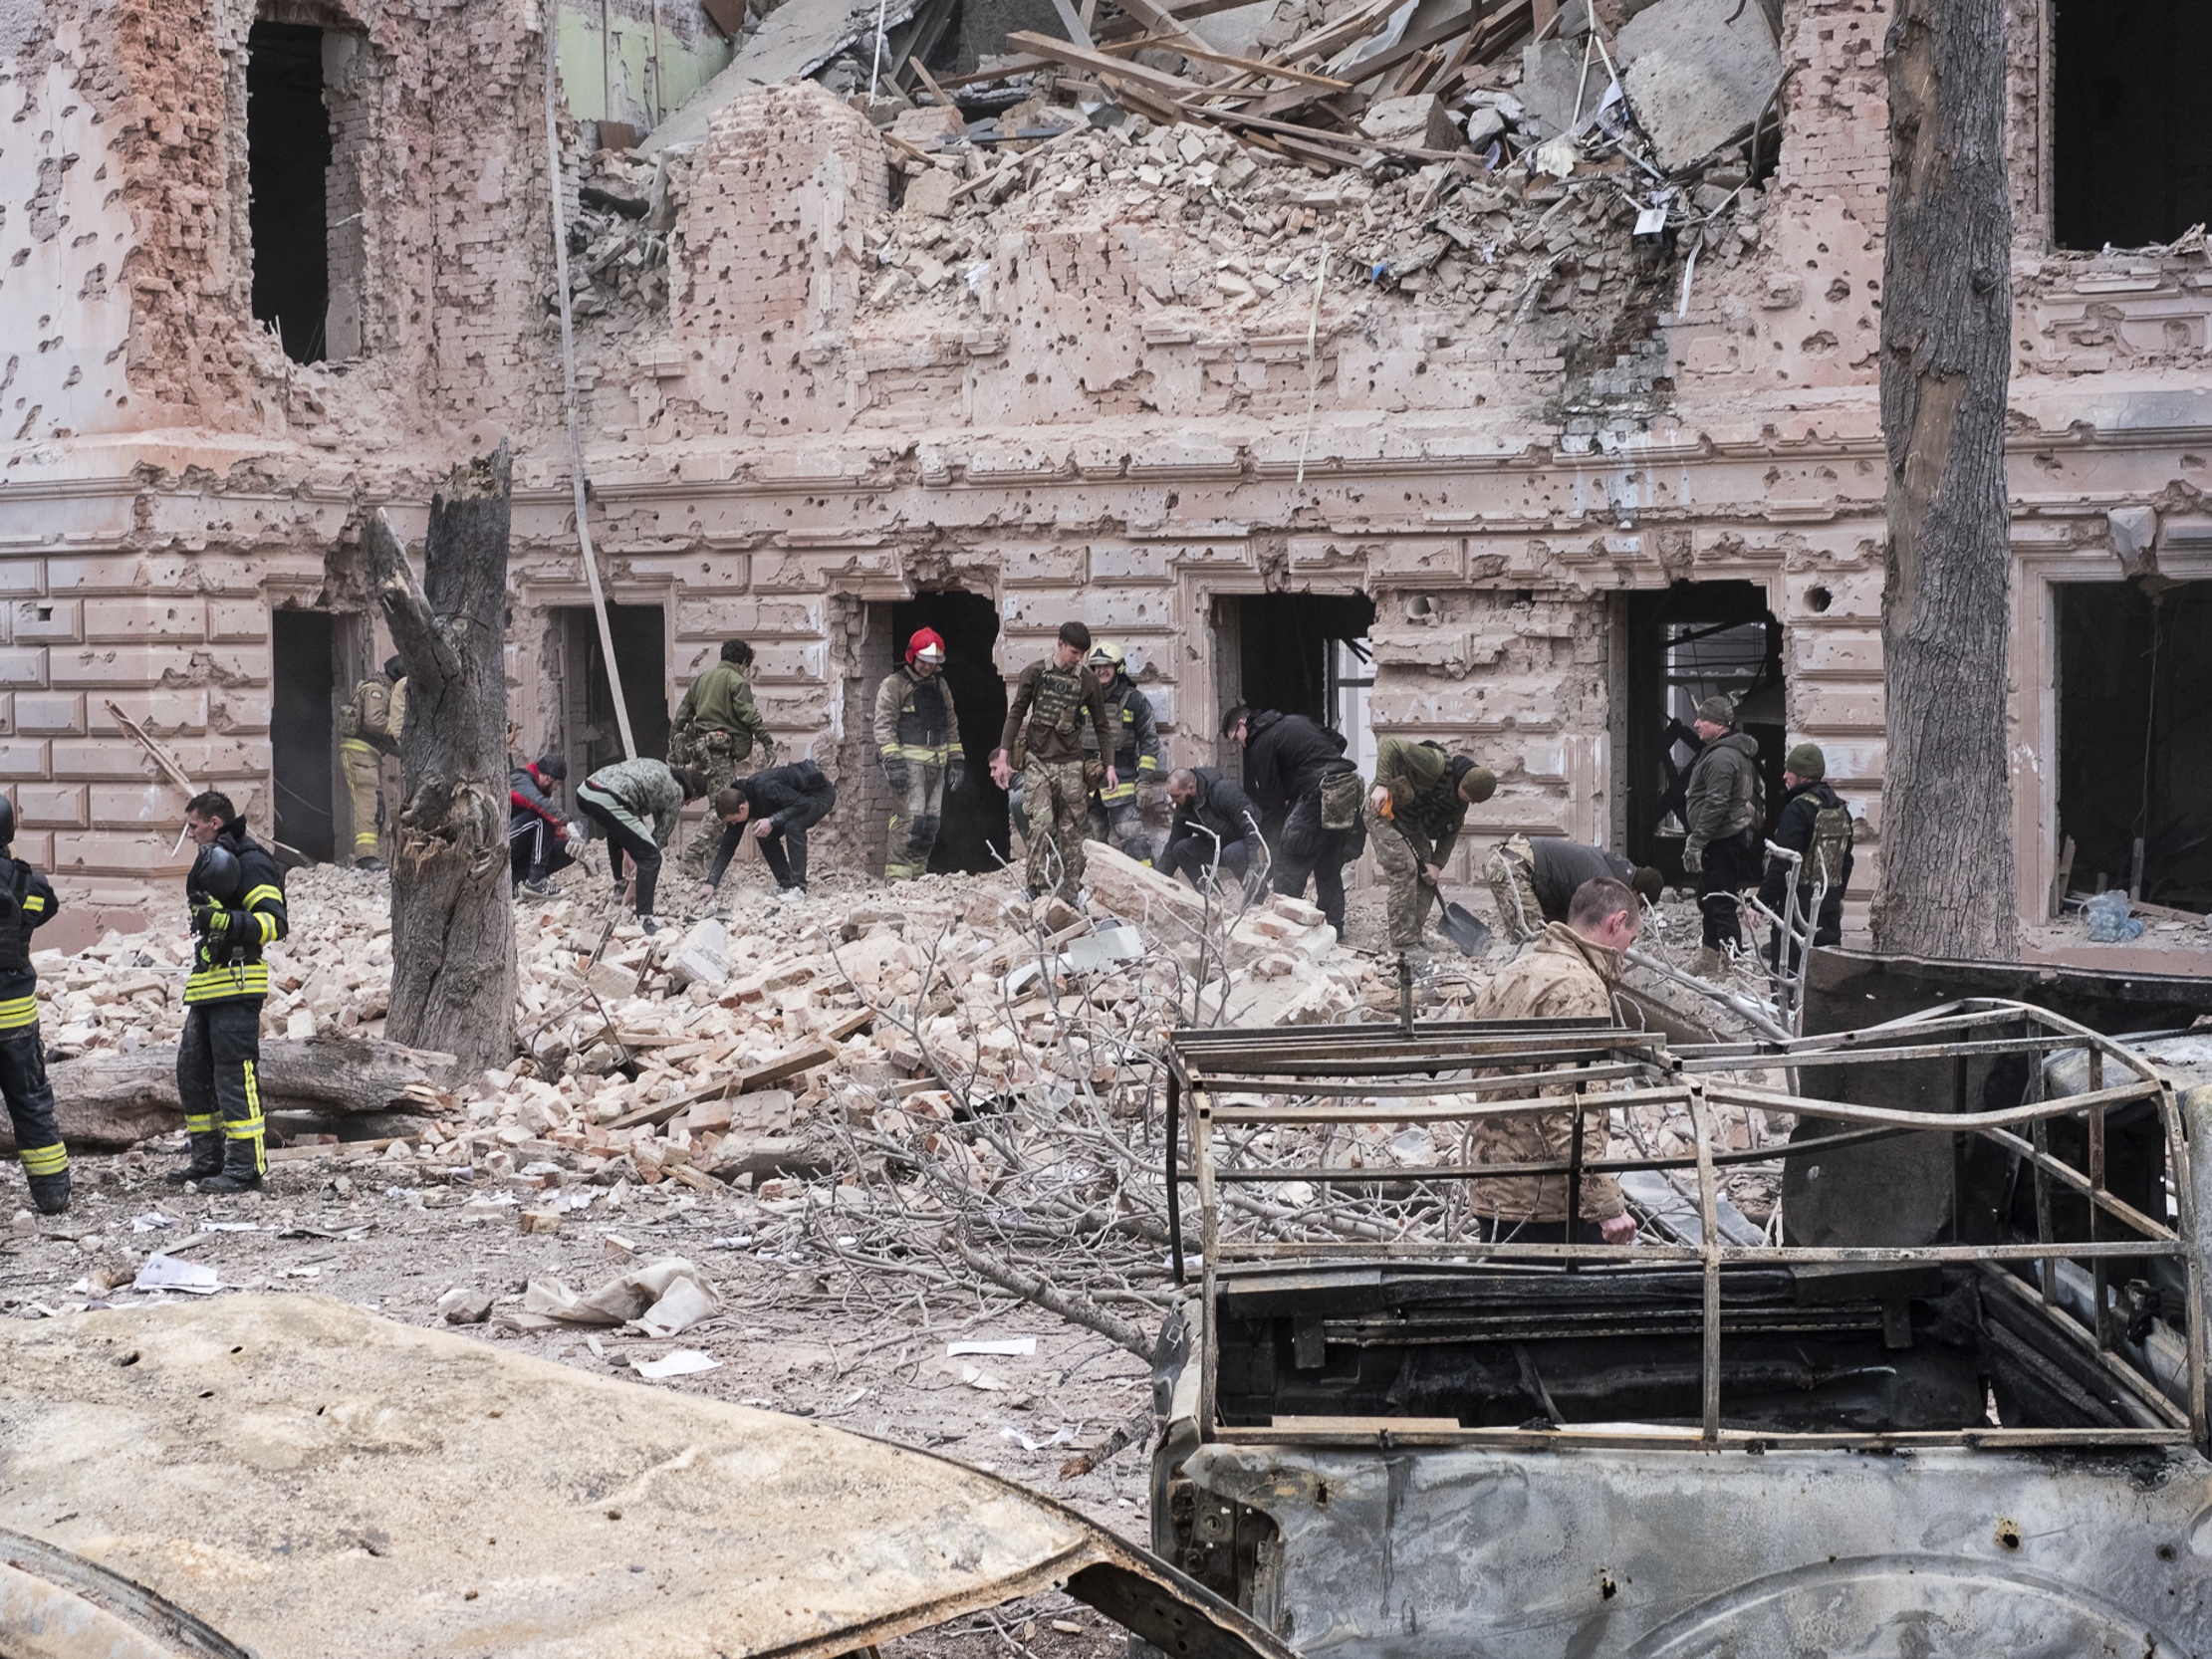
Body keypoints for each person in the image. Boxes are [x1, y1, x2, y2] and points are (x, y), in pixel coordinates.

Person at [1465, 876, 1642, 1246]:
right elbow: (1571, 1109)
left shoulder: (1511, 973)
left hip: (1493, 1194)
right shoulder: (1580, 989)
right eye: (1633, 938)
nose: (1628, 951)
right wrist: (1605, 1204)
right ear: (1617, 922)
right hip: (1548, 1205)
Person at [169, 792, 288, 1193]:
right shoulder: (213, 860)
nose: (190, 835)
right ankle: (208, 1159)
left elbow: (274, 924)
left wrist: (225, 921)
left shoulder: (251, 861)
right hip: (206, 983)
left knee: (234, 1076)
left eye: (194, 826)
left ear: (215, 822)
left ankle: (245, 1166)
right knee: (192, 1072)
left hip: (238, 984)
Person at [995, 621, 1114, 903]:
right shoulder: (1035, 673)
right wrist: (1003, 757)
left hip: (1072, 764)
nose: (1079, 659)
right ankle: (1035, 886)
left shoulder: (1087, 681)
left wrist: (1109, 766)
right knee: (1040, 823)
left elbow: (1102, 726)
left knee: (1071, 830)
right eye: (1074, 652)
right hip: (1038, 761)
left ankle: (1070, 891)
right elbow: (1016, 714)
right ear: (1059, 644)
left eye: (1083, 653)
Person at [1223, 705, 1364, 939]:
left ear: (1242, 724)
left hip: (1318, 791)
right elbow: (1338, 742)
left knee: (1288, 863)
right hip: (1345, 787)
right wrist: (1302, 778)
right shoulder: (1296, 719)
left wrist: (1268, 842)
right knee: (1328, 862)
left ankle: (1286, 931)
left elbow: (1272, 800)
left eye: (1236, 739)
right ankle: (1334, 930)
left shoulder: (1261, 743)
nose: (1241, 745)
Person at [1365, 738, 1497, 959]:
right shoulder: (1433, 764)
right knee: (1405, 867)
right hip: (1381, 810)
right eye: (1471, 797)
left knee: (1427, 873)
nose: (1471, 803)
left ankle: (1413, 935)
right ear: (1464, 785)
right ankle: (1402, 943)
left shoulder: (1458, 803)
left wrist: (1437, 865)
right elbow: (1390, 744)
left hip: (1409, 823)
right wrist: (1380, 784)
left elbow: (1450, 833)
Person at [0, 795, 64, 1214]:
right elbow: (47, 908)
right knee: (31, 1102)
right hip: (17, 1016)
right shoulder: (29, 884)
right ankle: (53, 1194)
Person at [672, 640, 775, 879]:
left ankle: (709, 865)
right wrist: (766, 741)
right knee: (723, 808)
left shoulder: (701, 679)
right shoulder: (736, 681)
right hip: (719, 752)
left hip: (700, 749)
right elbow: (748, 713)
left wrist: (675, 748)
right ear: (742, 662)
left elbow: (682, 715)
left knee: (715, 806)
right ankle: (693, 857)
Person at [574, 758, 710, 931]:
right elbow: (659, 839)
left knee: (616, 832)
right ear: (693, 791)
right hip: (608, 798)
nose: (689, 803)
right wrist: (636, 881)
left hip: (586, 791)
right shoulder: (676, 793)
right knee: (652, 857)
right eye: (694, 799)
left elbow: (629, 819)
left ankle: (620, 887)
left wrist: (630, 851)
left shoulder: (660, 769)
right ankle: (645, 918)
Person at [1679, 694, 1763, 974]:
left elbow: (1716, 803)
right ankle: (1709, 960)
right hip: (1722, 839)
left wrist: (1696, 841)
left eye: (1702, 719)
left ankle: (1733, 963)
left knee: (1719, 901)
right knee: (1709, 896)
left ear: (1718, 724)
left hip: (1722, 840)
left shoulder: (1723, 757)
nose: (1696, 723)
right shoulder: (1724, 752)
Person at [1757, 741, 1855, 972]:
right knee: (1824, 974)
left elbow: (1783, 860)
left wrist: (1760, 904)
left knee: (1790, 975)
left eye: (1788, 770)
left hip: (1797, 907)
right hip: (1828, 904)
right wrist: (1839, 895)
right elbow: (1846, 859)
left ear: (1801, 776)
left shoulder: (1798, 809)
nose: (1784, 776)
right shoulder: (1840, 809)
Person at [875, 629, 964, 882]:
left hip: (938, 762)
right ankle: (897, 880)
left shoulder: (940, 684)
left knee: (930, 824)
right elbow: (884, 726)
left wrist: (957, 760)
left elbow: (951, 724)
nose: (928, 667)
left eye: (933, 662)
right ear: (911, 656)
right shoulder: (894, 684)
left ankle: (917, 876)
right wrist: (893, 763)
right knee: (910, 821)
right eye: (924, 661)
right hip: (909, 764)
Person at [1485, 834, 1665, 945]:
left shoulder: (1612, 869)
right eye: (1639, 905)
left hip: (1517, 862)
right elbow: (1588, 932)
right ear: (1636, 892)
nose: (1635, 910)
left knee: (1549, 937)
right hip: (1514, 867)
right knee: (1532, 943)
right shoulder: (1605, 885)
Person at [701, 761, 838, 897]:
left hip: (819, 795)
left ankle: (798, 888)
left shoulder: (767, 788)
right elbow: (728, 846)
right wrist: (711, 882)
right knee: (763, 833)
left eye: (734, 820)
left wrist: (772, 820)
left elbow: (802, 804)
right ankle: (786, 884)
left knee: (793, 826)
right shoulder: (740, 801)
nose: (734, 824)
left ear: (742, 808)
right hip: (797, 799)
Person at [1083, 642, 1162, 864]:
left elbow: (1149, 742)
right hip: (1089, 786)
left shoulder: (1135, 701)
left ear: (1118, 667)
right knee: (1091, 843)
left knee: (1133, 839)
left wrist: (1145, 781)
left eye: (1106, 666)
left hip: (1123, 784)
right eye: (1096, 667)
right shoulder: (1084, 699)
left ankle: (1149, 885)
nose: (1101, 671)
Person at [337, 654, 405, 870]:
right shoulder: (378, 690)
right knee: (369, 803)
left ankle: (373, 855)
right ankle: (366, 858)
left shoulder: (383, 690)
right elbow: (374, 720)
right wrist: (398, 728)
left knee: (376, 804)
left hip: (368, 753)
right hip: (359, 752)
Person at [1160, 767, 1264, 891]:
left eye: (1176, 796)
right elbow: (1173, 842)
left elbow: (1252, 823)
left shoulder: (1222, 790)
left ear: (1191, 788)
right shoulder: (1184, 806)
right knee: (1180, 849)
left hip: (1245, 843)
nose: (1174, 801)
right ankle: (1210, 898)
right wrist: (1156, 879)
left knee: (1232, 853)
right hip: (1219, 845)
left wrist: (1254, 861)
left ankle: (1257, 899)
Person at [509, 753, 576, 896]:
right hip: (502, 845)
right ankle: (536, 881)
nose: (556, 789)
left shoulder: (534, 785)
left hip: (515, 845)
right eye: (557, 785)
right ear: (548, 778)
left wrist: (576, 847)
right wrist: (568, 823)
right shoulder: (519, 779)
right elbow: (539, 804)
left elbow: (547, 836)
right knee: (543, 817)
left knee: (567, 850)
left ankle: (514, 882)